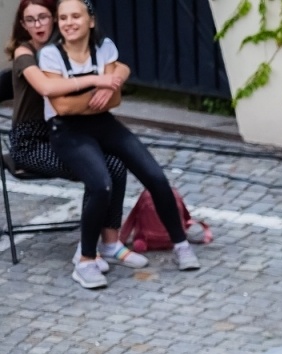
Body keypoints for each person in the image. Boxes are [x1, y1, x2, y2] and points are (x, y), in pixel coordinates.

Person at [31, 0, 198, 288]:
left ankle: (181, 244)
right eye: (63, 18)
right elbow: (62, 107)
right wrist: (97, 88)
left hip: (103, 123)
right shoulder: (50, 55)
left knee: (155, 176)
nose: (68, 23)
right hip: (66, 131)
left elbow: (114, 97)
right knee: (100, 184)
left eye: (75, 16)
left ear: (90, 21)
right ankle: (84, 261)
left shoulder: (104, 47)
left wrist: (109, 84)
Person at [6, 0, 127, 268]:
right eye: (30, 20)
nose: (38, 25)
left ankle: (110, 242)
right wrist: (97, 81)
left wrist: (116, 76)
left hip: (64, 135)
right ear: (23, 25)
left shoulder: (66, 49)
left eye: (43, 17)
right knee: (96, 172)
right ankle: (86, 250)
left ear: (54, 19)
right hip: (30, 143)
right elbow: (47, 87)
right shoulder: (24, 54)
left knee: (117, 165)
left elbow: (117, 63)